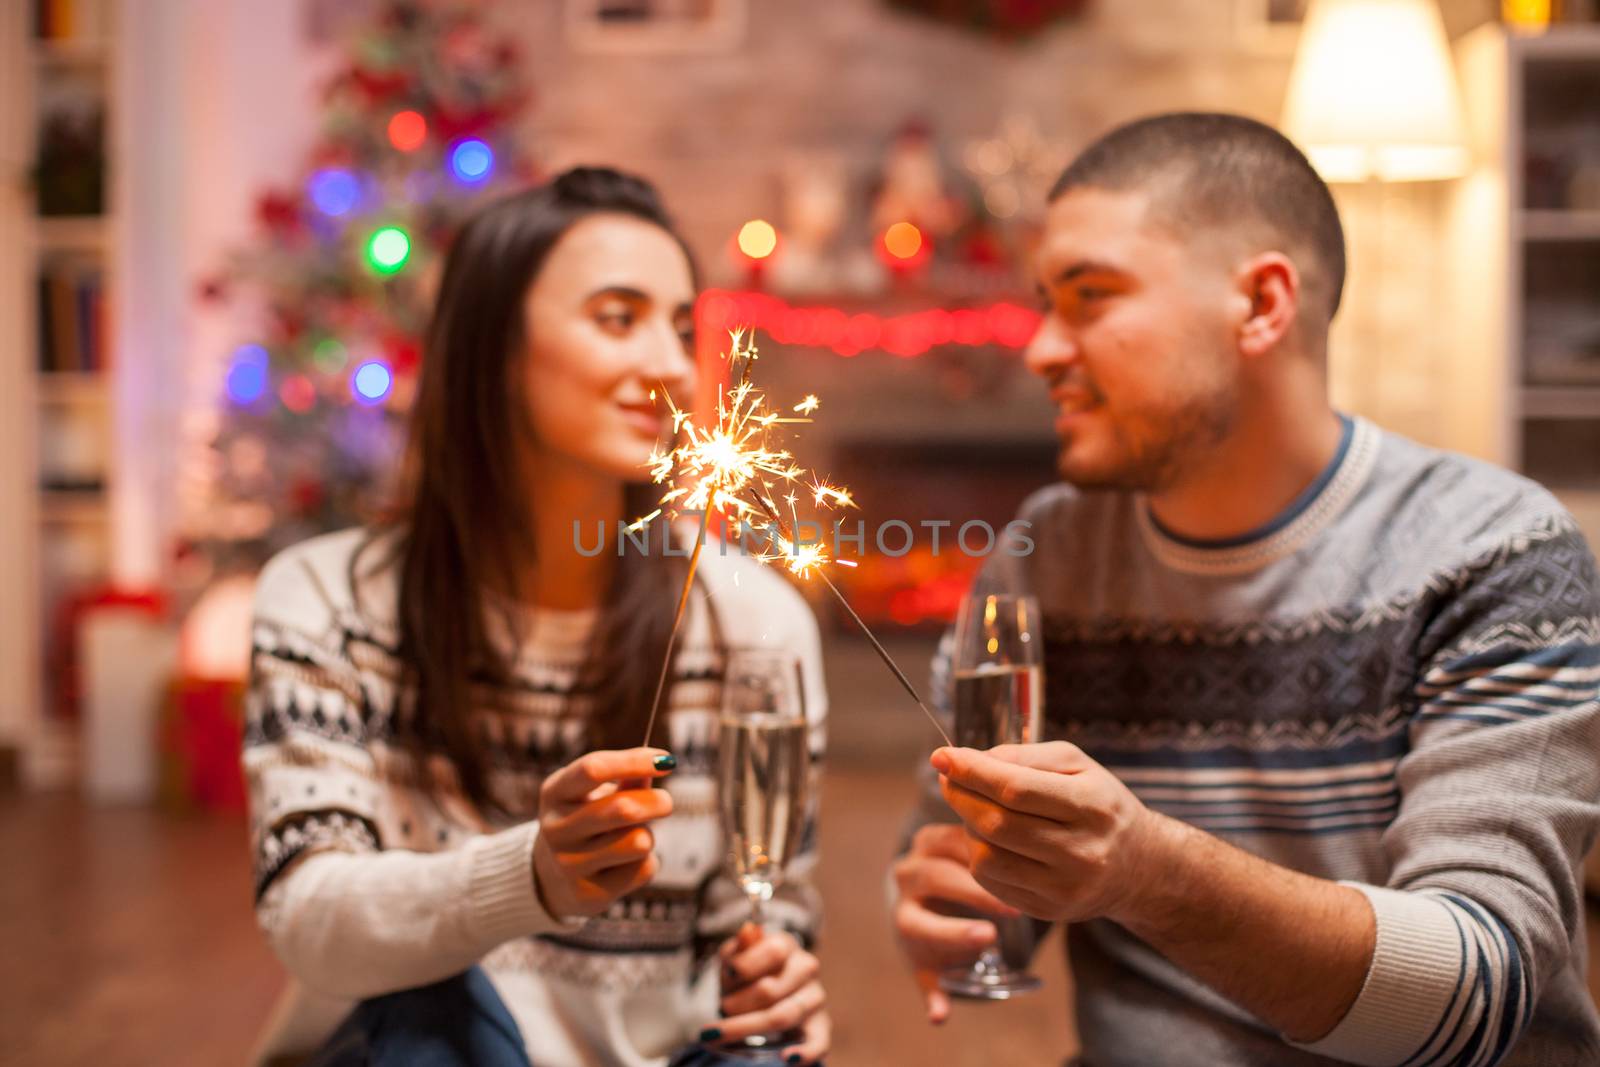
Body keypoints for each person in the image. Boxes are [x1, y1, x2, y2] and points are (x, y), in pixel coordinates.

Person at [893, 112, 1600, 1066]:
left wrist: (1145, 870)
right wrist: (964, 905)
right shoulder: (1047, 554)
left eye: (1089, 297)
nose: (1040, 349)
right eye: (1043, 302)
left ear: (1263, 304)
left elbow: (1473, 993)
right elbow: (977, 882)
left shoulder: (1495, 550)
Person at [244, 167, 831, 1067]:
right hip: (410, 1051)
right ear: (493, 349)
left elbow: (762, 913)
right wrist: (532, 876)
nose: (674, 367)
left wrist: (770, 976)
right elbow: (309, 917)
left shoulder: (756, 623)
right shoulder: (326, 600)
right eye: (616, 317)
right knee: (428, 1006)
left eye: (681, 328)